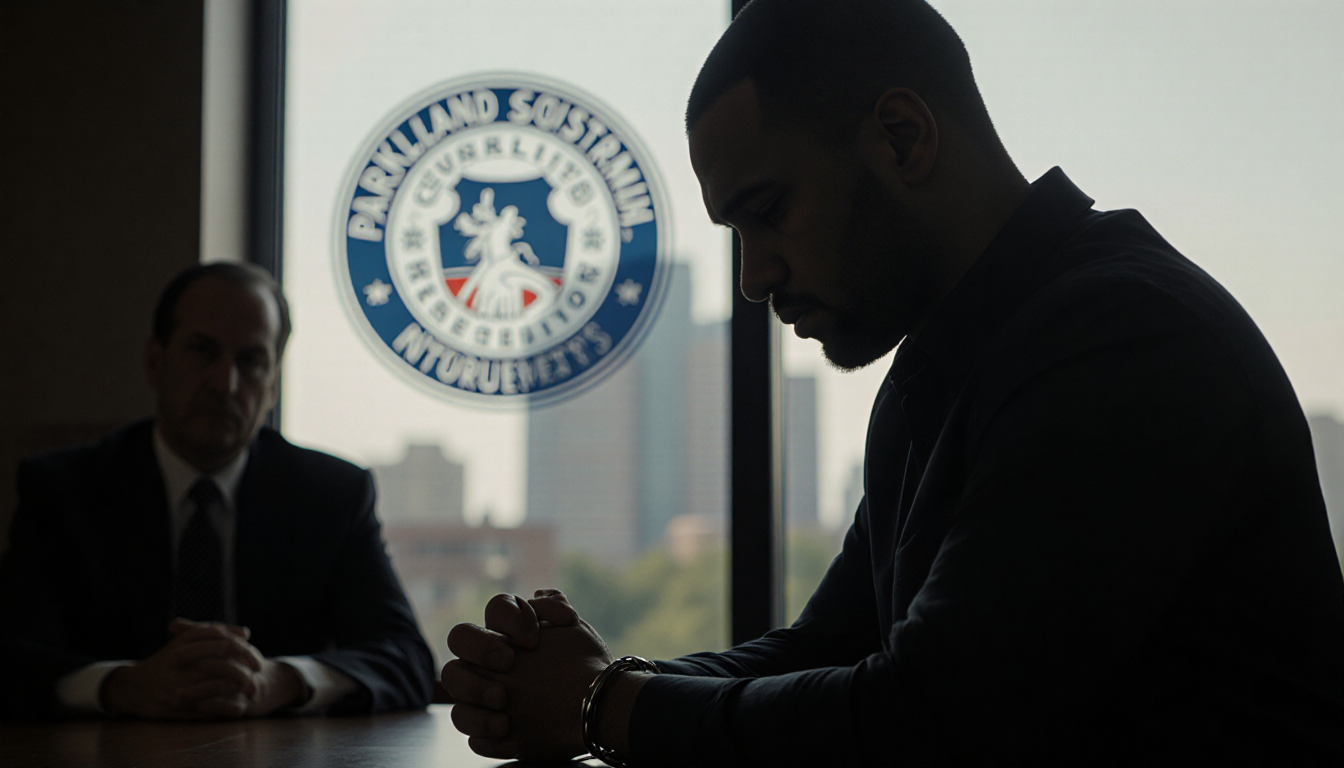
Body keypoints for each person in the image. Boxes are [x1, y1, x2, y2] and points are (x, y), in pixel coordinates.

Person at [440, 0, 1344, 765]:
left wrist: (603, 704)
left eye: (769, 211)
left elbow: (934, 722)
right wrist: (592, 681)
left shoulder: (1123, 342)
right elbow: (832, 646)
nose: (754, 277)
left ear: (902, 138)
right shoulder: (952, 363)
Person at [0, 262, 436, 719]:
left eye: (250, 362)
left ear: (272, 386)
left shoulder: (332, 495)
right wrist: (119, 685)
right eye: (202, 352)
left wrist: (281, 681)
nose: (225, 384)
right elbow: (8, 656)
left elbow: (406, 659)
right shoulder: (66, 491)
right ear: (155, 361)